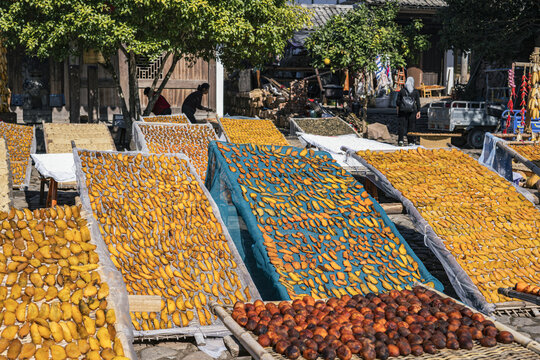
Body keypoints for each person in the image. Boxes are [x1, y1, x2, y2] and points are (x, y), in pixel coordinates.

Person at [396, 77, 421, 146]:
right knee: (411, 126)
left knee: (401, 126)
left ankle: (400, 141)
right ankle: (411, 141)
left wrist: (398, 110)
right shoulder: (415, 91)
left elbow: (397, 102)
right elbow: (418, 102)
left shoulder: (402, 91)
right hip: (412, 111)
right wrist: (418, 111)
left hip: (402, 111)